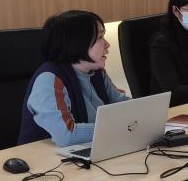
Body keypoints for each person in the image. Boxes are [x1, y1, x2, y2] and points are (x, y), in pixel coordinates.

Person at [18, 10, 129, 146]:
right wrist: (117, 127)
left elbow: (125, 106)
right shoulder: (48, 79)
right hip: (45, 157)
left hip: (87, 149)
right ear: (77, 43)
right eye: (100, 37)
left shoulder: (97, 72)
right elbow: (66, 134)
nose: (107, 44)